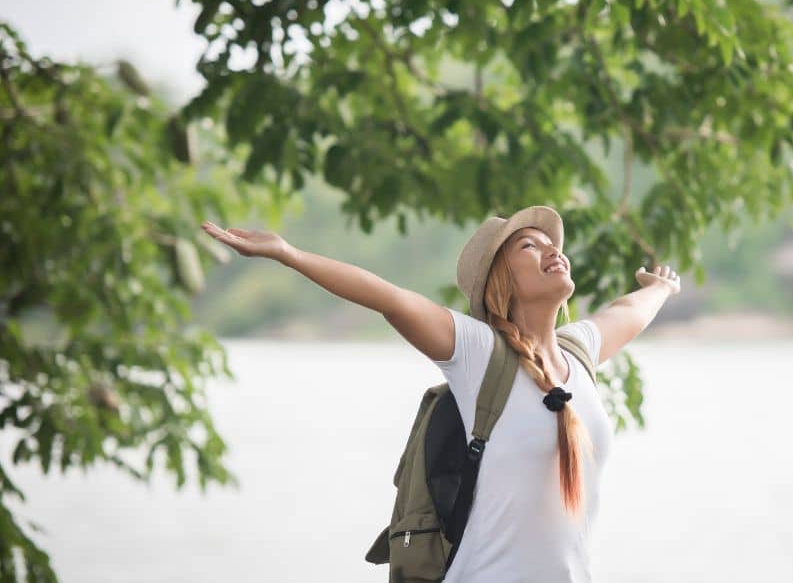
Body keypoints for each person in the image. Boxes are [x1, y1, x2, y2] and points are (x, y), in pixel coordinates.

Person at [200, 204, 682, 582]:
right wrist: (288, 253)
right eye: (529, 248)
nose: (552, 250)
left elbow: (630, 309)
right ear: (501, 282)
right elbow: (385, 297)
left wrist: (660, 288)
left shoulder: (580, 353)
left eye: (552, 244)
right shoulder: (478, 353)